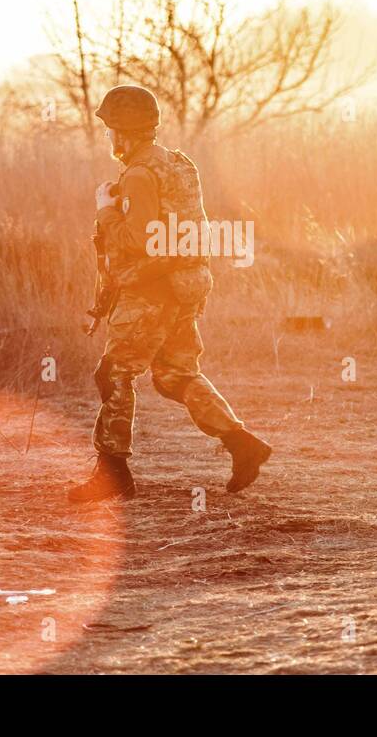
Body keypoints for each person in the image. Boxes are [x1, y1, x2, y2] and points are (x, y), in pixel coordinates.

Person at [68, 85, 273, 503]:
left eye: (110, 129)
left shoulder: (140, 175)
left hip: (151, 293)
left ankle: (113, 476)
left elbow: (140, 239)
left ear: (123, 133)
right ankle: (243, 444)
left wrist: (105, 210)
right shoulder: (177, 165)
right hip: (183, 286)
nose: (108, 137)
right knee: (175, 375)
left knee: (115, 373)